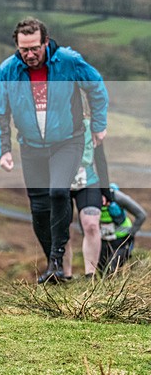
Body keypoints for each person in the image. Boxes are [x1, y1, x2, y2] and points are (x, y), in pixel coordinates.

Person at [0, 17, 108, 284]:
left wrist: (99, 125)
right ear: (17, 47)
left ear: (45, 42)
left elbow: (96, 86)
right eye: (24, 50)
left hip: (68, 141)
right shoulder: (8, 70)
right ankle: (54, 267)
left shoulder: (68, 61)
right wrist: (3, 149)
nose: (30, 55)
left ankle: (57, 260)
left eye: (35, 48)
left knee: (58, 192)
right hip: (31, 147)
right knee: (40, 211)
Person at [64, 114, 112, 279]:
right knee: (63, 228)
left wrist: (106, 191)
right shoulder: (53, 125)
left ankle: (90, 276)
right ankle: (66, 274)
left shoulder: (92, 126)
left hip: (89, 181)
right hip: (60, 181)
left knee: (91, 225)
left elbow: (101, 159)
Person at [98, 183, 146, 274]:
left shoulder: (118, 197)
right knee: (100, 270)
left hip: (122, 240)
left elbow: (141, 215)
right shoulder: (90, 200)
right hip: (103, 241)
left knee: (111, 269)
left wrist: (131, 234)